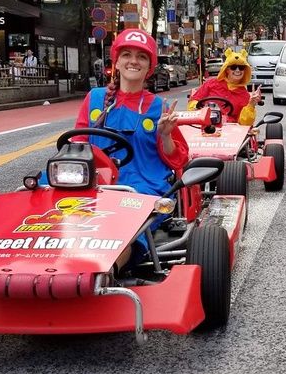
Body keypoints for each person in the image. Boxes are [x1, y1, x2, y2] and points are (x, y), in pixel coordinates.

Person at [71, 28, 189, 267]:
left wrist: (165, 135)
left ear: (149, 67)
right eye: (127, 54)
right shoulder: (95, 98)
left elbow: (178, 160)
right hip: (94, 180)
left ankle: (104, 271)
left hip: (141, 184)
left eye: (141, 57)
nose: (133, 61)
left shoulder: (159, 106)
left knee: (123, 226)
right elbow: (77, 146)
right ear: (116, 61)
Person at [188, 48, 261, 125]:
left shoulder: (245, 95)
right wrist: (197, 109)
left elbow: (244, 123)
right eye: (233, 67)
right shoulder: (211, 83)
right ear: (227, 69)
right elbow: (194, 101)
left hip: (230, 131)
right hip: (205, 127)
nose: (237, 70)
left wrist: (251, 105)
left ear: (245, 70)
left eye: (241, 67)